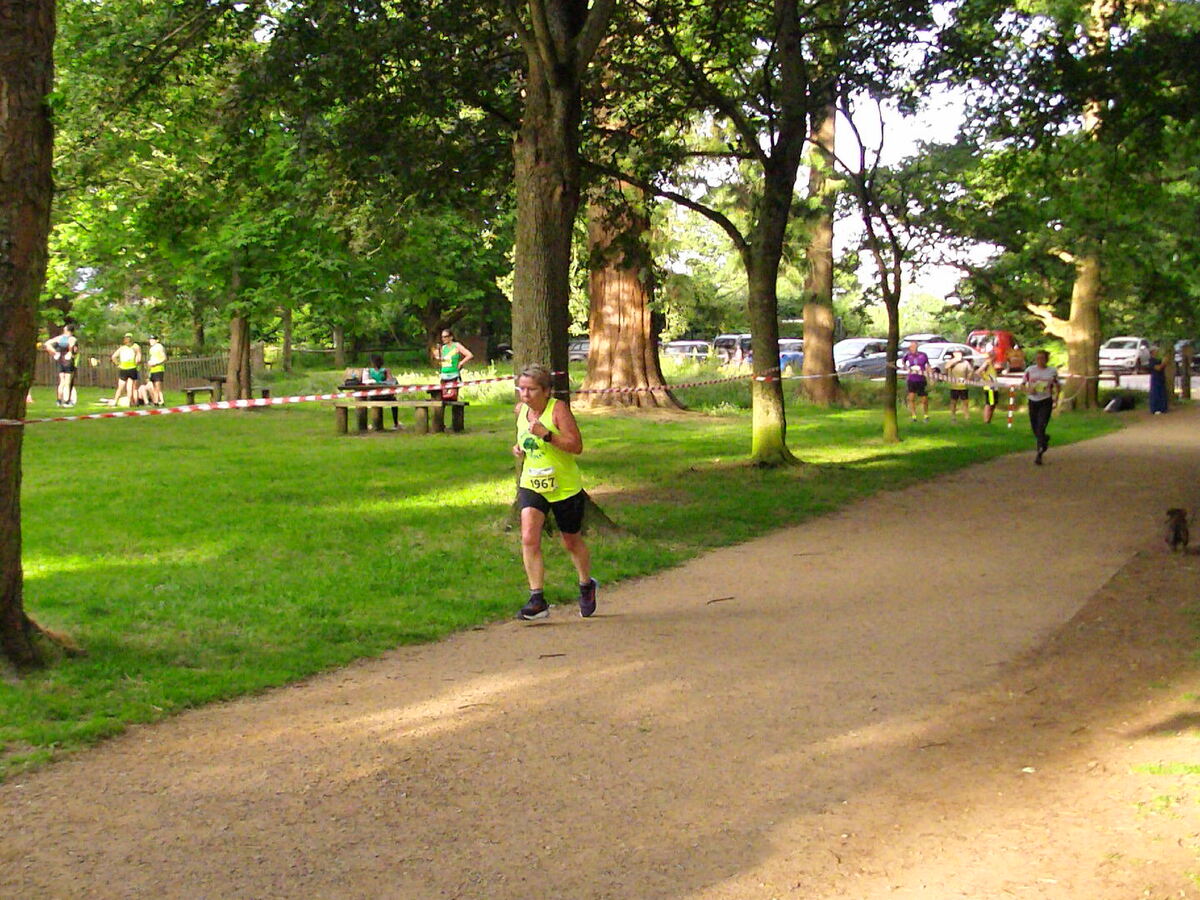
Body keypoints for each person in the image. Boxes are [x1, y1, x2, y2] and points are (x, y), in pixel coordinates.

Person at [511, 364, 597, 621]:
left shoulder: (558, 410)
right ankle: (537, 599)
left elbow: (576, 446)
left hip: (563, 486)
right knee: (529, 537)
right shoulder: (521, 410)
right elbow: (526, 438)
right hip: (532, 482)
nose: (525, 395)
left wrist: (547, 435)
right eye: (521, 389)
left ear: (546, 391)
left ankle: (586, 585)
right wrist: (520, 447)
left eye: (531, 390)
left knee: (571, 541)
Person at [1022, 349, 1060, 465]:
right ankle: (1044, 439)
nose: (1040, 360)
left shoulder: (1052, 371)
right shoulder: (1030, 370)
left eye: (1042, 358)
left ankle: (1039, 453)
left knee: (1041, 426)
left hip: (1046, 401)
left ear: (1047, 360)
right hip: (1033, 401)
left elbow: (1057, 385)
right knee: (1035, 428)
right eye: (1038, 358)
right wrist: (1028, 390)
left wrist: (1056, 399)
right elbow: (1022, 385)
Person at [43, 324, 78, 407]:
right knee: (67, 382)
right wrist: (70, 352)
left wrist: (54, 352)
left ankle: (58, 401)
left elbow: (47, 344)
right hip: (68, 361)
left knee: (61, 382)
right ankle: (66, 401)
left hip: (60, 360)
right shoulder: (72, 338)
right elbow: (72, 346)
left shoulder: (59, 338)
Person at [363, 353, 399, 429]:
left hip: (373, 396)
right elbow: (391, 382)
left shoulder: (369, 371)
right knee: (394, 401)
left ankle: (370, 424)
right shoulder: (385, 370)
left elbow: (366, 382)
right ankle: (396, 423)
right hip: (385, 396)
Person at [438, 329, 474, 401]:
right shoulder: (443, 348)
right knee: (442, 398)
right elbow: (442, 360)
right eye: (442, 337)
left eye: (445, 336)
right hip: (444, 375)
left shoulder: (456, 345)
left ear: (451, 337)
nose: (443, 339)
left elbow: (469, 355)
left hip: (454, 375)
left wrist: (461, 363)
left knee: (453, 397)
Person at [902, 341, 931, 422]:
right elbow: (903, 362)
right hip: (912, 379)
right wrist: (906, 368)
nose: (912, 349)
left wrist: (929, 373)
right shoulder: (908, 355)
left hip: (921, 379)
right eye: (911, 347)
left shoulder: (923, 355)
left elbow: (928, 365)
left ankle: (926, 416)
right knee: (911, 398)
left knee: (924, 399)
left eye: (914, 347)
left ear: (917, 347)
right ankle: (914, 416)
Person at [945, 349, 973, 422]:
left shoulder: (965, 362)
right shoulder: (951, 362)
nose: (959, 354)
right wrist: (955, 360)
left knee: (965, 402)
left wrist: (968, 379)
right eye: (957, 353)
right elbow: (946, 367)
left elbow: (970, 371)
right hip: (954, 386)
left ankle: (967, 417)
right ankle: (953, 417)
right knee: (953, 402)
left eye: (960, 353)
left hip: (963, 386)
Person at [975, 354, 1000, 424]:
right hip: (989, 387)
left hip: (994, 386)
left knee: (993, 404)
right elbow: (978, 372)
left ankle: (989, 420)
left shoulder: (992, 364)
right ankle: (986, 421)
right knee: (989, 403)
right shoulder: (987, 363)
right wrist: (984, 379)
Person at [1148, 347, 1169, 414]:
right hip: (1155, 378)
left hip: (1161, 377)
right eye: (1156, 351)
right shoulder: (1151, 360)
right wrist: (1163, 363)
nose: (1157, 352)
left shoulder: (1158, 360)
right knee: (1156, 393)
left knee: (1162, 392)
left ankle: (1163, 408)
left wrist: (1165, 362)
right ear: (1152, 352)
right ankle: (1155, 408)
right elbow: (1158, 368)